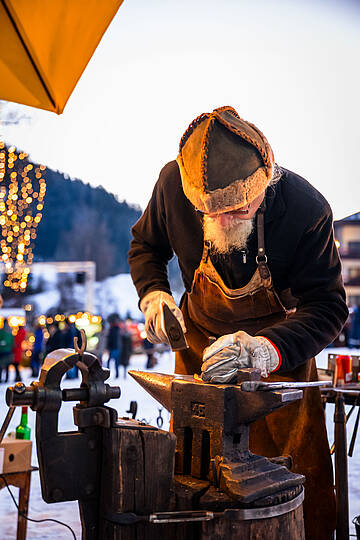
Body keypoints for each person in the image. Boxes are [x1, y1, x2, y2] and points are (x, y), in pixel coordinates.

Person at [128, 106, 348, 540]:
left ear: (264, 180)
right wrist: (153, 294)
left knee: (295, 473)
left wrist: (266, 349)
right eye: (215, 213)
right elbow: (145, 247)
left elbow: (328, 306)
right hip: (197, 346)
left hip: (280, 355)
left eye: (241, 209)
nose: (227, 221)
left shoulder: (307, 209)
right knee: (194, 467)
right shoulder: (173, 184)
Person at [0, 318, 14, 383]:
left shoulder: (2, 331)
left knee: (2, 365)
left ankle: (3, 378)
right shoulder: (10, 332)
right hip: (7, 351)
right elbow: (12, 342)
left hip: (3, 351)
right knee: (6, 365)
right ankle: (5, 378)